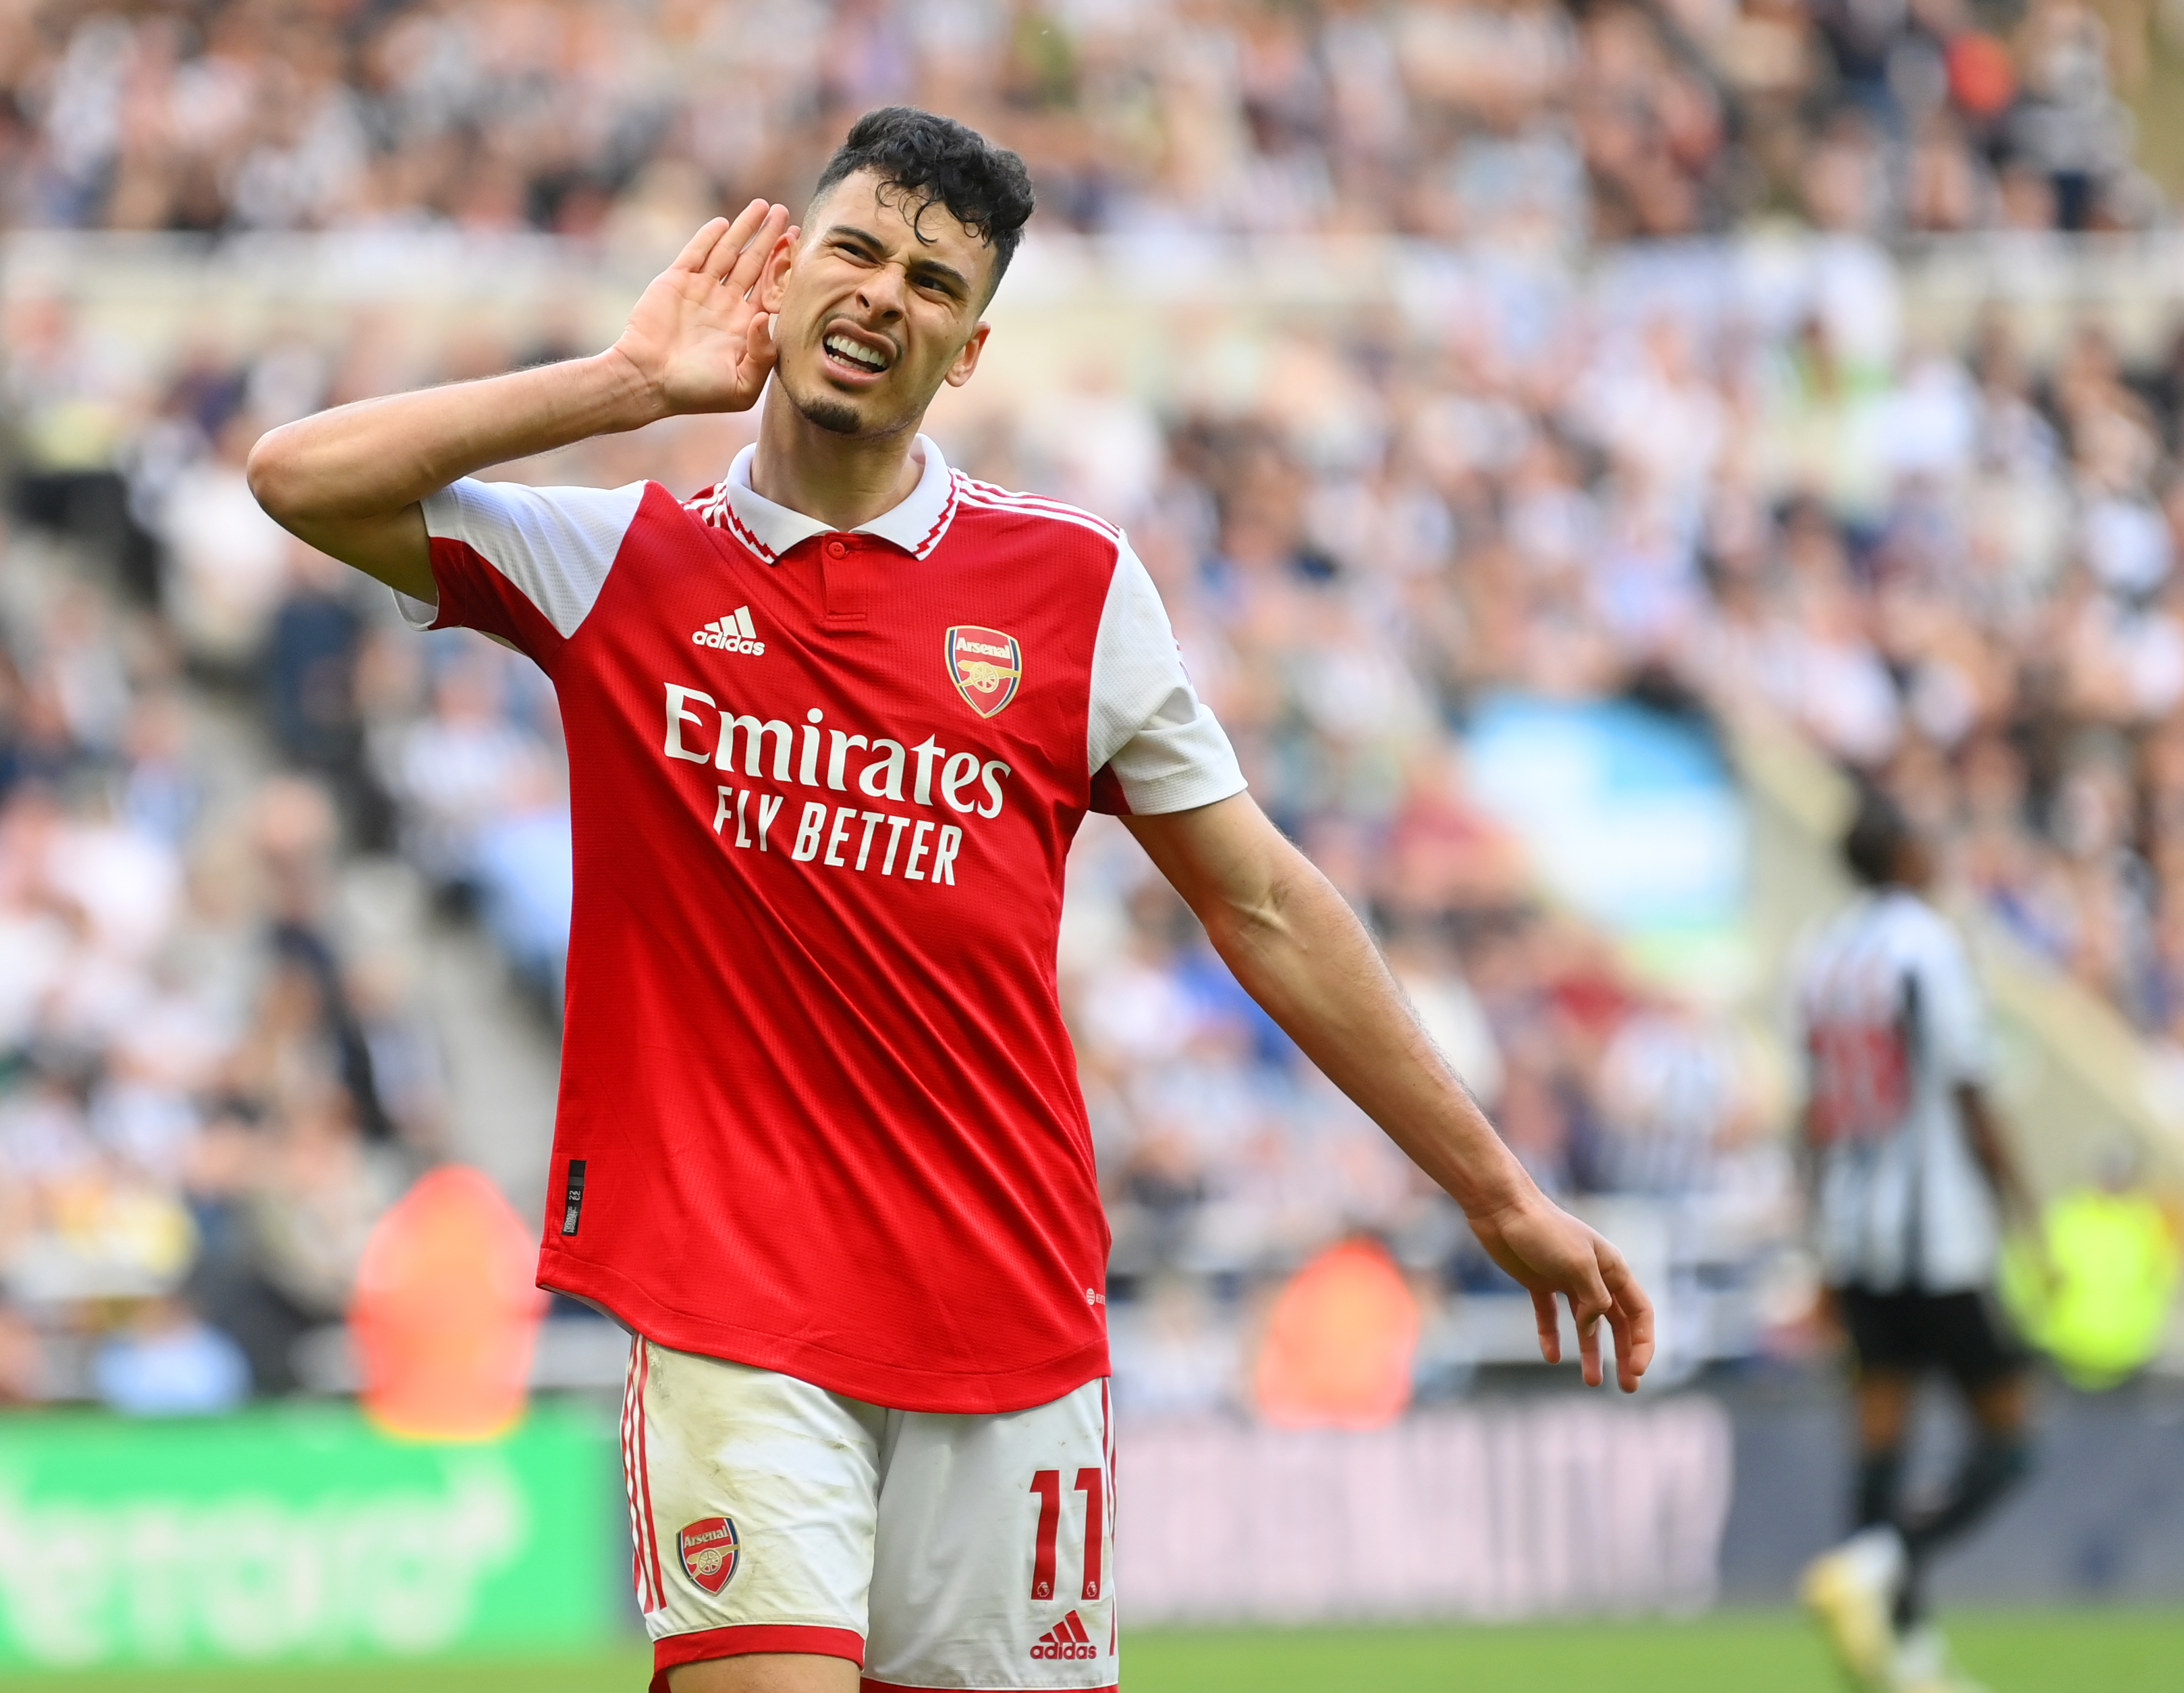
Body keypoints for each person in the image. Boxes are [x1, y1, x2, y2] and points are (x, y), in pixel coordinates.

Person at [248, 107, 1654, 1693]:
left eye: (931, 280)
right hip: (731, 1309)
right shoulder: (613, 564)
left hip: (1006, 1309)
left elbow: (1261, 900)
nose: (880, 295)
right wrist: (630, 384)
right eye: (851, 250)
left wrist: (1496, 1194)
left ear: (967, 352)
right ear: (781, 278)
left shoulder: (1073, 589)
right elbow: (298, 477)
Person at [1795, 790, 2039, 1693]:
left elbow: (1810, 1111)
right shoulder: (1925, 948)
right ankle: (1882, 1562)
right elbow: (1968, 1092)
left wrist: (1816, 1236)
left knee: (1880, 1437)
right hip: (1933, 1234)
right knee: (2011, 1437)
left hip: (1857, 1233)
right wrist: (2024, 1217)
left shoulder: (1819, 955)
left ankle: (1901, 1655)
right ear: (1898, 855)